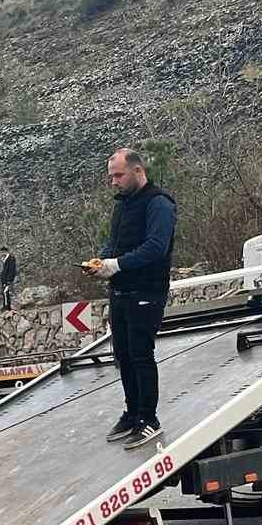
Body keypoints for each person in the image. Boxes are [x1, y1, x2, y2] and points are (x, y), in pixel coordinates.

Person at [85, 147, 179, 450]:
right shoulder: (123, 204)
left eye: (118, 175)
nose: (113, 181)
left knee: (141, 354)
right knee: (123, 355)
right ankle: (132, 413)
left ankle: (149, 419)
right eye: (111, 176)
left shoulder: (159, 203)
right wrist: (101, 262)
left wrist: (118, 264)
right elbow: (114, 242)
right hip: (120, 291)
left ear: (138, 171)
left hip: (146, 291)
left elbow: (156, 247)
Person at [0, 246, 18, 311]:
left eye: (3, 252)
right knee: (5, 293)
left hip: (9, 279)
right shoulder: (4, 259)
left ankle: (11, 307)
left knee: (10, 293)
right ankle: (6, 306)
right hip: (4, 279)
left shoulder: (11, 259)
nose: (2, 253)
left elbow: (11, 270)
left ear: (6, 251)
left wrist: (9, 280)